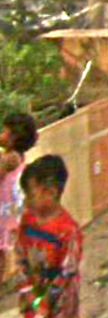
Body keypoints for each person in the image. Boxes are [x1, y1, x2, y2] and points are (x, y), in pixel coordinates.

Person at [16, 155, 92, 318]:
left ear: (49, 192)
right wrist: (27, 291)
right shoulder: (28, 221)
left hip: (60, 307)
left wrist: (46, 302)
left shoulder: (68, 231)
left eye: (30, 194)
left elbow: (66, 273)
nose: (26, 200)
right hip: (34, 298)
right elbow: (21, 256)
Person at [0, 113, 38, 283]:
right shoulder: (15, 155)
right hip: (12, 203)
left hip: (5, 204)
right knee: (8, 237)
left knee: (4, 240)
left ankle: (8, 269)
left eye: (5, 132)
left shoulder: (11, 158)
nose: (1, 135)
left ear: (14, 138)